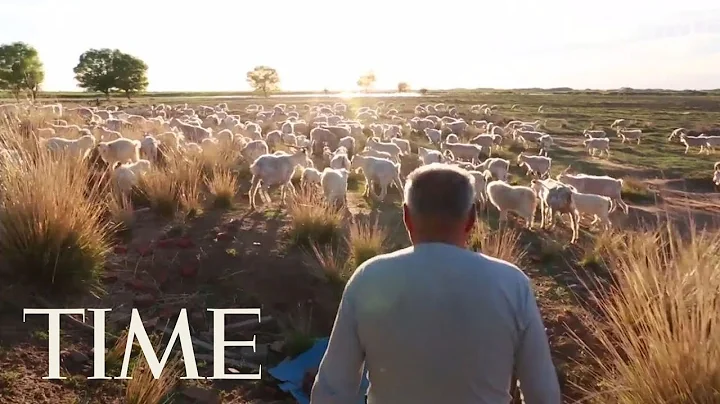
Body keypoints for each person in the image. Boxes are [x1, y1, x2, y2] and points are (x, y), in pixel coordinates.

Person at [310, 163, 561, 404]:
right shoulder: (512, 283)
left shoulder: (369, 278)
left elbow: (332, 389)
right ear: (472, 218)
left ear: (406, 216)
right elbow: (542, 393)